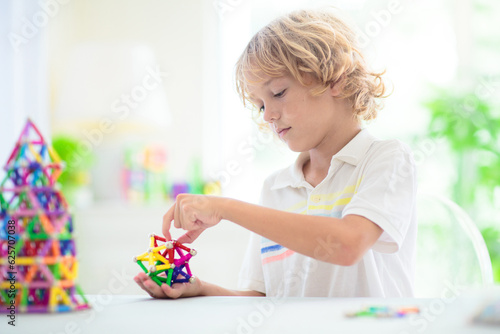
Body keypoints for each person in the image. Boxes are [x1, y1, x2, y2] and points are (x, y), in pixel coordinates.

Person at [134, 8, 417, 299]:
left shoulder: (387, 160)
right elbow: (263, 298)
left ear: (336, 79)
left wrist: (225, 207)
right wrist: (202, 290)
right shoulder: (275, 188)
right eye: (259, 105)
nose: (268, 114)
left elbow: (348, 245)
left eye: (278, 93)